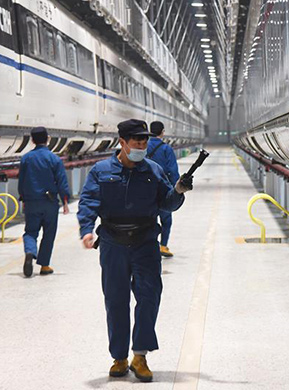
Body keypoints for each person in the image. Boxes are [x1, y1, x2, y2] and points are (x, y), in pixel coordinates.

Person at [77, 119, 193, 382]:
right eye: (137, 141)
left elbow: (167, 203)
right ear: (123, 142)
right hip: (113, 244)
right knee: (116, 300)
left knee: (149, 296)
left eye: (145, 141)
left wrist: (178, 191)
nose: (142, 145)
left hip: (145, 242)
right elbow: (88, 201)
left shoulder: (153, 170)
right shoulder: (101, 170)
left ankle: (140, 355)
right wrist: (86, 228)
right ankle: (119, 357)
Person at [18, 126, 70, 277]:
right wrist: (65, 201)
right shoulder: (54, 158)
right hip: (49, 202)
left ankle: (30, 252)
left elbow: (21, 182)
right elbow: (61, 182)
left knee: (30, 232)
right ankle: (44, 266)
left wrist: (23, 198)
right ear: (48, 139)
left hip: (32, 202)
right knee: (49, 233)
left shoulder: (26, 158)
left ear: (32, 140)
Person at [147, 121, 180, 258]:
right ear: (162, 132)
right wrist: (175, 190)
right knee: (166, 219)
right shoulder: (166, 149)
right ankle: (163, 245)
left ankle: (150, 246)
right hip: (163, 189)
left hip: (146, 189)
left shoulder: (144, 146)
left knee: (149, 220)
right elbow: (173, 170)